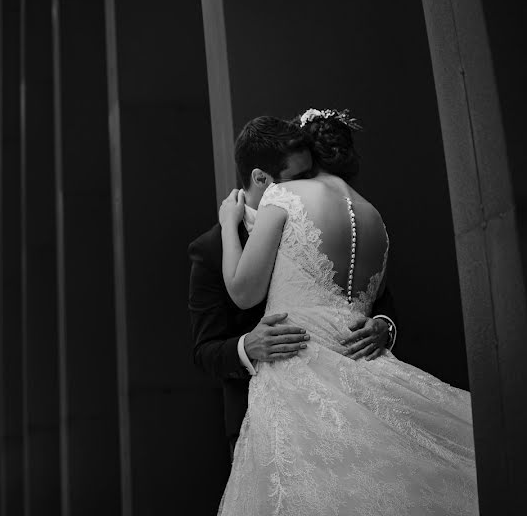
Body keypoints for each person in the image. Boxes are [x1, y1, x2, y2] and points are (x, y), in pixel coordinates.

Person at [215, 109, 477, 514]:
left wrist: (229, 222)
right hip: (367, 366)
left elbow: (244, 292)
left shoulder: (283, 197)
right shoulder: (375, 218)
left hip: (296, 373)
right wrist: (384, 327)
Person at [187, 116, 398, 464]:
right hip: (262, 419)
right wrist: (246, 346)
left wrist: (384, 326)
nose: (311, 184)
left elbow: (377, 297)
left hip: (353, 400)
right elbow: (204, 350)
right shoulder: (210, 249)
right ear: (261, 178)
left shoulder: (310, 209)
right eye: (300, 177)